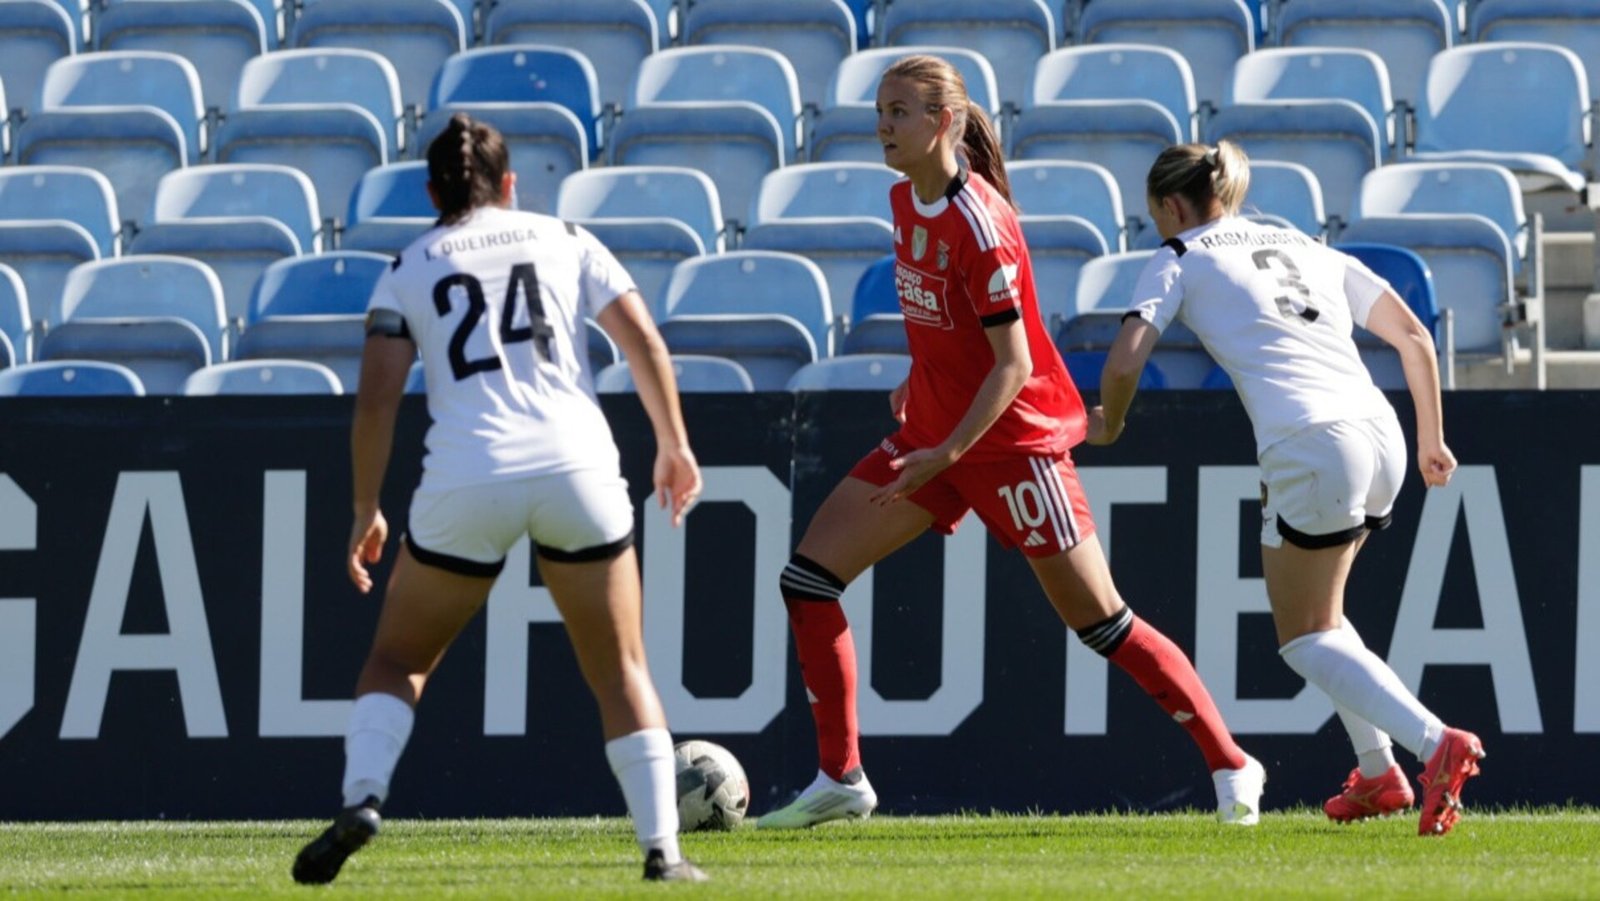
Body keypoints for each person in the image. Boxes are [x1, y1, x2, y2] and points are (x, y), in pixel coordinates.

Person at [756, 55, 1264, 830]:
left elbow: (1015, 361)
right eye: (881, 110)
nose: (882, 125)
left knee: (1102, 621)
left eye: (899, 112)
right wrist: (915, 374)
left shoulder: (981, 224)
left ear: (945, 122)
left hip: (1010, 442)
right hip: (937, 435)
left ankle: (1232, 763)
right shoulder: (904, 199)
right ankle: (841, 777)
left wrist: (949, 450)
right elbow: (942, 319)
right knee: (809, 580)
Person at [292, 113, 709, 883]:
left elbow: (377, 400)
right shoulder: (565, 238)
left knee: (396, 659)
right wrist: (675, 443)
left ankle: (362, 796)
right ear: (511, 183)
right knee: (620, 666)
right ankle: (662, 851)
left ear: (431, 191)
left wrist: (364, 505)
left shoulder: (407, 265)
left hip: (467, 472)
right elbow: (644, 342)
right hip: (575, 464)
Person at [1091, 140, 1486, 836]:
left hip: (1310, 442)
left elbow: (1125, 362)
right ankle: (1377, 772)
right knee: (1325, 618)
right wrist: (1432, 439)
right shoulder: (1304, 243)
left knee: (1303, 638)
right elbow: (1416, 337)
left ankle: (1435, 745)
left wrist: (1111, 423)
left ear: (1170, 205)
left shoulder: (1179, 254)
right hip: (1382, 432)